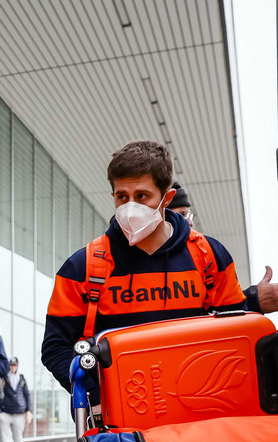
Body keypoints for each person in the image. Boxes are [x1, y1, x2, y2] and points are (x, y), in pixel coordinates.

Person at [42, 141, 248, 393]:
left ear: (167, 197)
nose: (130, 207)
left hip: (199, 406)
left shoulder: (209, 257)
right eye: (122, 197)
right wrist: (99, 397)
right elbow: (56, 348)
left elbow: (237, 333)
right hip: (119, 421)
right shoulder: (82, 267)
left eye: (141, 196)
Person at [169, 182, 278, 315]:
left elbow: (225, 309)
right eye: (182, 215)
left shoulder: (211, 251)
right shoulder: (144, 257)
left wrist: (255, 300)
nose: (190, 222)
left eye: (189, 215)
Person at [0, 356, 32, 442]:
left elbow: (27, 395)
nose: (12, 367)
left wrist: (28, 411)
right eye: (11, 365)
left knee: (18, 440)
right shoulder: (3, 378)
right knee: (3, 439)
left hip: (19, 413)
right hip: (5, 412)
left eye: (14, 365)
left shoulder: (21, 378)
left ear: (17, 366)